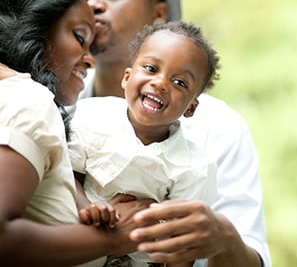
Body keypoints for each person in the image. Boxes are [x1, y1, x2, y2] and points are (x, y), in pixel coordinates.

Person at [66, 0, 272, 266]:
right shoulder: (60, 103)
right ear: (127, 77)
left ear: (159, 13)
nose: (94, 4)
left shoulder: (220, 129)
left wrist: (223, 239)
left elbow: (250, 256)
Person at [0, 0, 151, 266]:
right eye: (80, 37)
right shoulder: (27, 98)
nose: (90, 59)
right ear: (36, 26)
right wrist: (120, 237)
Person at [69, 21, 220, 267]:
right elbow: (66, 173)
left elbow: (183, 247)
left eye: (180, 82)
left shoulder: (194, 167)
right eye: (151, 68)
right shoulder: (91, 117)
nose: (160, 83)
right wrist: (88, 209)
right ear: (127, 78)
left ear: (191, 108)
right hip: (78, 245)